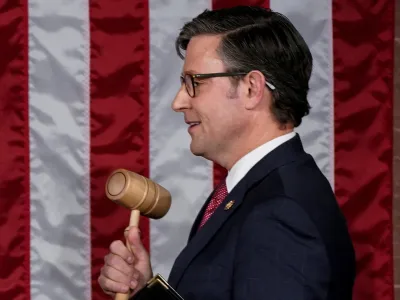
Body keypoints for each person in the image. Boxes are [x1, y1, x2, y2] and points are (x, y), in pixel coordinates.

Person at [98, 6, 356, 300]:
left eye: (194, 82)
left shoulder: (280, 213)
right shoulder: (254, 191)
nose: (178, 101)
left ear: (251, 88)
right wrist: (143, 292)